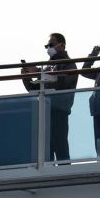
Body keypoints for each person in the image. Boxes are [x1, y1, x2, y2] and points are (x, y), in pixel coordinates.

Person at [22, 33, 77, 161]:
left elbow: (63, 83)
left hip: (59, 110)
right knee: (47, 148)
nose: (48, 48)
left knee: (60, 145)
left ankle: (64, 173)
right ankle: (49, 170)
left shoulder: (69, 64)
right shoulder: (48, 67)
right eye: (46, 45)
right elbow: (34, 88)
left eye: (51, 44)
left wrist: (40, 73)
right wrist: (26, 76)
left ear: (61, 45)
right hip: (45, 110)